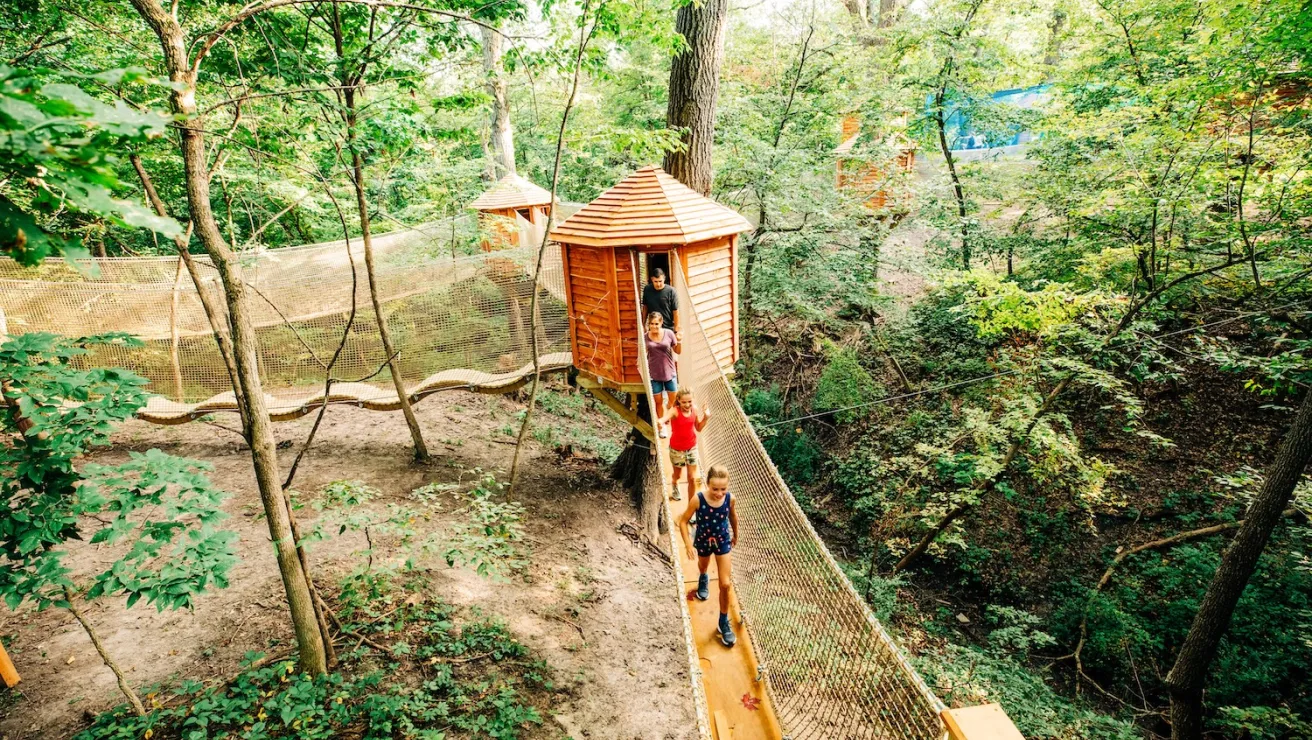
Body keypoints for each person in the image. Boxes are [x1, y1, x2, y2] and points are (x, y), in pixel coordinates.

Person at [678, 464, 738, 648]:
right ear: (707, 484)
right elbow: (683, 521)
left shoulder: (730, 499)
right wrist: (688, 544)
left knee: (725, 584)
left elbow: (732, 517)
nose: (719, 493)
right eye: (715, 489)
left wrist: (736, 534)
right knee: (703, 566)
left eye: (723, 489)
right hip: (703, 539)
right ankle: (703, 577)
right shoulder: (698, 499)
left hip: (722, 541)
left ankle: (723, 621)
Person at [659, 388, 710, 501]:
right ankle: (675, 484)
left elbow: (698, 428)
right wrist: (660, 422)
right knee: (677, 475)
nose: (687, 405)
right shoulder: (675, 411)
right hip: (677, 449)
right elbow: (665, 417)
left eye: (689, 401)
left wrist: (706, 418)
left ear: (693, 400)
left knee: (692, 478)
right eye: (684, 402)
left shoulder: (694, 409)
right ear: (678, 400)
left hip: (692, 447)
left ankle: (691, 505)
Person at [644, 313, 680, 438]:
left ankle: (668, 413)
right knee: (658, 402)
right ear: (649, 324)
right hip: (654, 374)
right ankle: (662, 426)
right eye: (651, 324)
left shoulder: (669, 333)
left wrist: (679, 340)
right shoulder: (645, 337)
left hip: (669, 372)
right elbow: (643, 354)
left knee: (673, 401)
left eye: (656, 324)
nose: (654, 326)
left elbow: (678, 351)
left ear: (661, 322)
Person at [641, 268, 679, 334]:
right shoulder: (647, 290)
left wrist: (676, 329)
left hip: (668, 328)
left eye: (660, 281)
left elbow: (675, 311)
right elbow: (645, 307)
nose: (658, 284)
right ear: (652, 279)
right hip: (653, 327)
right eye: (656, 281)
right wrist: (643, 324)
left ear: (664, 279)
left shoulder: (671, 291)